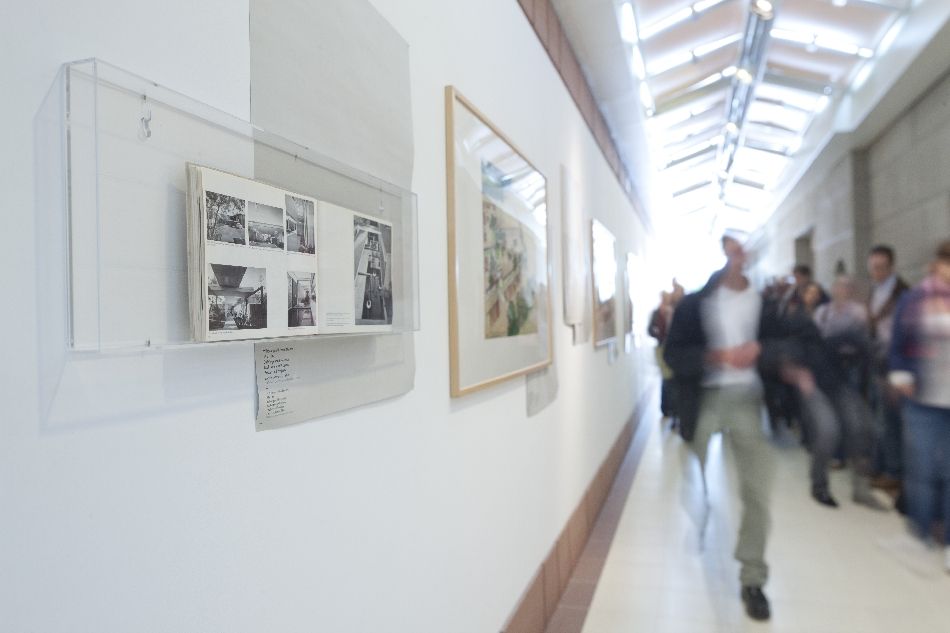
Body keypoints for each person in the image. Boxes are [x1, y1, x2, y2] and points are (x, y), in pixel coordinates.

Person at [664, 232, 781, 621]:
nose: (738, 256)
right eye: (732, 250)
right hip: (705, 400)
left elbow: (797, 342)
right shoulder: (698, 303)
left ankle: (753, 577)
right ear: (724, 254)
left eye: (744, 250)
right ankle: (702, 517)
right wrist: (714, 357)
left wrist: (761, 350)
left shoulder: (765, 304)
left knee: (757, 490)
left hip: (747, 399)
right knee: (693, 477)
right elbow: (674, 354)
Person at [887, 239, 950, 574]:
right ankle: (919, 533)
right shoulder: (915, 299)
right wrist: (901, 377)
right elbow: (897, 346)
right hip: (922, 400)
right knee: (922, 471)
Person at [866, 244, 910, 492]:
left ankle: (894, 472)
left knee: (890, 420)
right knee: (879, 418)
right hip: (878, 360)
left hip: (894, 363)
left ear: (891, 267)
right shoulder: (876, 291)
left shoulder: (902, 293)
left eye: (881, 267)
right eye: (873, 268)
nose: (876, 272)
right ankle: (883, 466)